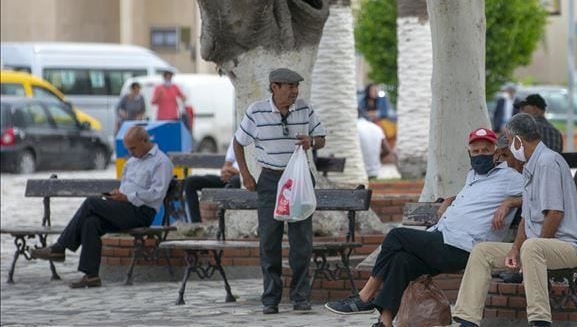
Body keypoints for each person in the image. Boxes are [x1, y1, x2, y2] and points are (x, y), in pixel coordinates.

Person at [325, 128, 523, 327]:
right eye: (476, 151)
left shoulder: (509, 177)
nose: (481, 155)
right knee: (402, 261)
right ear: (469, 153)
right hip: (443, 240)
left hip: (463, 247)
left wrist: (510, 203)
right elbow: (476, 199)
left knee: (397, 236)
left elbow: (535, 194)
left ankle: (364, 297)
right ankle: (385, 322)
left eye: (486, 151)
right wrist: (450, 200)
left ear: (496, 152)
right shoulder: (473, 176)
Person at [451, 114, 577, 327]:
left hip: (569, 248)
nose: (507, 150)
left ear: (517, 140)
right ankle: (467, 321)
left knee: (532, 247)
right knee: (482, 252)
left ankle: (540, 321)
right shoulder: (529, 166)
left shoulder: (548, 162)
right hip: (536, 248)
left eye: (509, 140)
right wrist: (515, 249)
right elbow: (527, 216)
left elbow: (555, 213)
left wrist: (535, 246)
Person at [233, 67, 326, 314]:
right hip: (270, 181)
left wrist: (312, 142)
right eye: (289, 86)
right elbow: (238, 142)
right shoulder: (256, 111)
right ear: (274, 86)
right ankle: (270, 299)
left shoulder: (305, 109)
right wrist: (245, 174)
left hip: (299, 181)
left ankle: (300, 297)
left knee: (301, 242)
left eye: (296, 87)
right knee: (269, 241)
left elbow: (321, 138)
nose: (294, 92)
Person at [31, 126, 173, 288]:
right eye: (128, 149)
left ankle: (59, 247)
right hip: (124, 207)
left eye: (133, 148)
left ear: (144, 141)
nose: (130, 152)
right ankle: (91, 276)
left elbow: (156, 193)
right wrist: (118, 195)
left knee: (91, 203)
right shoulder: (132, 162)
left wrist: (127, 197)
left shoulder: (161, 162)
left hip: (142, 212)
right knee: (91, 222)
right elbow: (126, 186)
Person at [183, 145, 241, 223]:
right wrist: (225, 171)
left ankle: (223, 225)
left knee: (235, 181)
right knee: (190, 182)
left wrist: (236, 173)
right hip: (228, 178)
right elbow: (227, 165)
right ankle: (196, 224)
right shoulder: (238, 137)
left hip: (241, 180)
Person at [357, 110, 396, 179]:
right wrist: (376, 158)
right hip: (375, 172)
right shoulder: (376, 128)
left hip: (358, 172)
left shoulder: (353, 128)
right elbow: (387, 150)